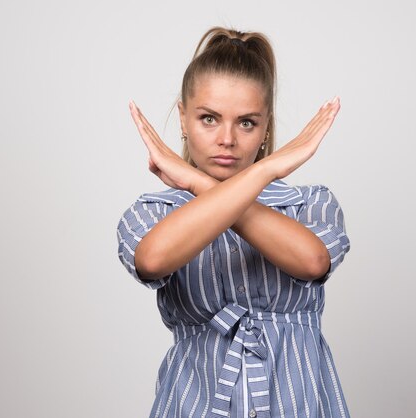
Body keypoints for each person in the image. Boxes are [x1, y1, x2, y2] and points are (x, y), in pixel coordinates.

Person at [117, 26, 351, 418]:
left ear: (264, 128)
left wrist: (203, 181)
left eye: (246, 123)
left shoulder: (308, 203)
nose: (227, 138)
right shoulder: (154, 211)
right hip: (194, 404)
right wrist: (262, 172)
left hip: (300, 404)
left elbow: (312, 262)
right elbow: (152, 261)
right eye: (209, 119)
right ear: (183, 119)